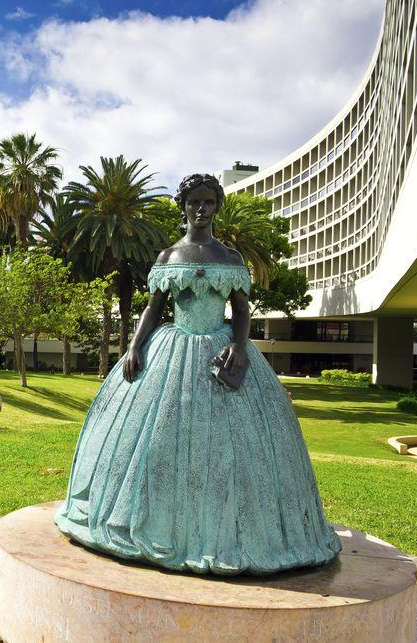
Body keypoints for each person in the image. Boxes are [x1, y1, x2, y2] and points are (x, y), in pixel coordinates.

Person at [54, 173, 341, 576]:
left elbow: (241, 310)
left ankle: (228, 531)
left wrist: (239, 349)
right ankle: (153, 522)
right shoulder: (169, 257)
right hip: (171, 351)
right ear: (184, 207)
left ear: (217, 207)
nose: (201, 209)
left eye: (208, 202)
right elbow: (154, 309)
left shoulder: (230, 259)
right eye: (194, 202)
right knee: (155, 439)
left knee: (234, 449)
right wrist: (135, 345)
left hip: (220, 351)